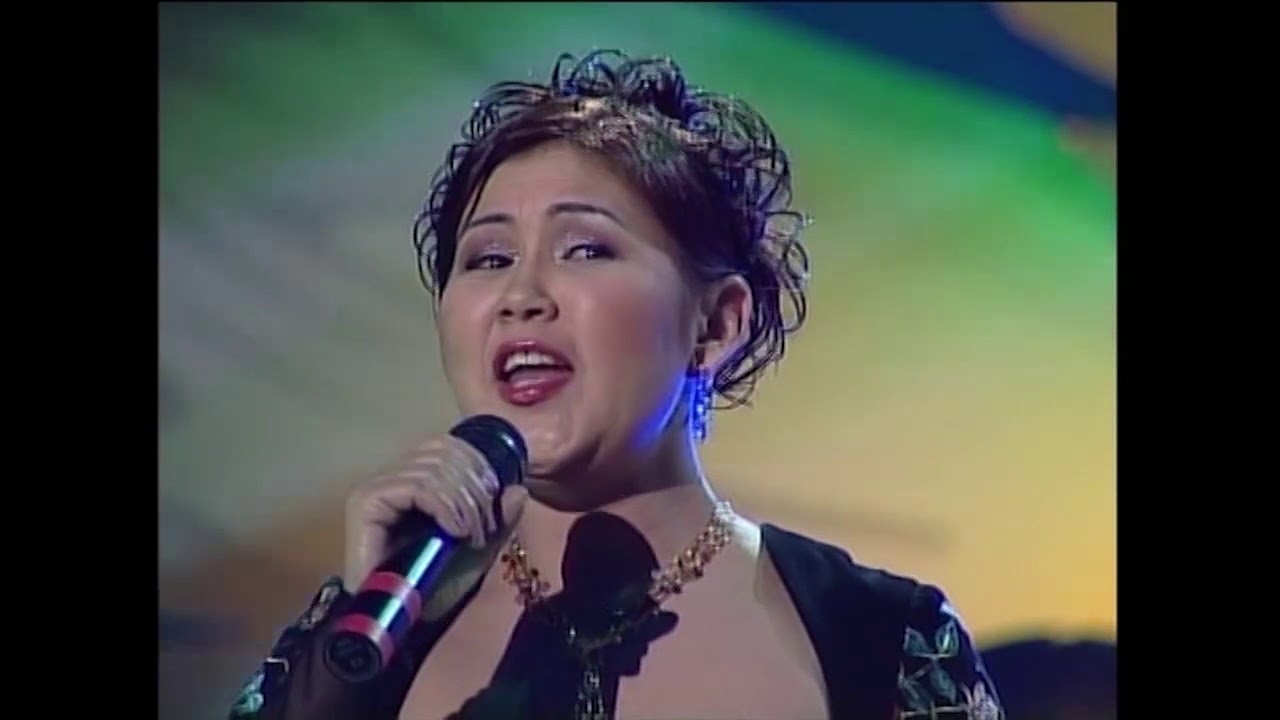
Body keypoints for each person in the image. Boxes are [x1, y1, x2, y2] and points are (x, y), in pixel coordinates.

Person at [226, 50, 1004, 720]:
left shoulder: (878, 637)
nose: (521, 294)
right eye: (488, 259)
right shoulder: (368, 638)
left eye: (586, 249)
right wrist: (347, 675)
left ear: (716, 324)